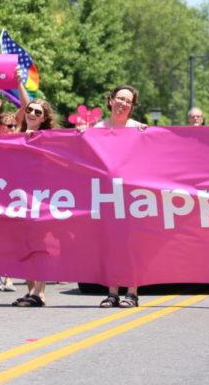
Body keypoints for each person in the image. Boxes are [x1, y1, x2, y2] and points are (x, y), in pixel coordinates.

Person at [77, 85, 147, 308]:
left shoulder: (139, 129)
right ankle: (112, 292)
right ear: (110, 101)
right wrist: (80, 136)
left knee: (131, 245)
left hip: (133, 197)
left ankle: (132, 292)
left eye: (128, 101)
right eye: (119, 98)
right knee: (110, 245)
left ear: (132, 106)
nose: (123, 103)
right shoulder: (97, 129)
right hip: (106, 196)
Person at [10, 98, 57, 307]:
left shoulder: (48, 138)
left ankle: (40, 292)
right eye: (29, 110)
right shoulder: (17, 137)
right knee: (25, 245)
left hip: (42, 198)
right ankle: (31, 290)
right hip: (19, 198)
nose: (32, 114)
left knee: (39, 245)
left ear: (44, 118)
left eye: (38, 112)